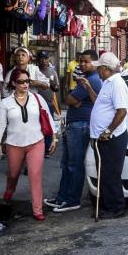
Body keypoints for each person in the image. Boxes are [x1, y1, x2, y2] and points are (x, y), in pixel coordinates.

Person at [0, 68, 57, 221]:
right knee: (13, 173)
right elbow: (0, 125)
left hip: (36, 142)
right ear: (14, 83)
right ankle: (10, 189)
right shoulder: (6, 103)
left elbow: (48, 117)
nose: (25, 84)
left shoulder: (37, 98)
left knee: (35, 175)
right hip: (14, 144)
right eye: (21, 82)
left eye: (27, 81)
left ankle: (37, 209)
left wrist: (54, 138)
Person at [45, 49, 102, 213]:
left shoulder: (91, 80)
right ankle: (62, 197)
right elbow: (69, 99)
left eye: (86, 61)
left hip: (80, 125)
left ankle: (72, 200)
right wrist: (74, 99)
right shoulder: (85, 79)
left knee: (74, 165)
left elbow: (69, 99)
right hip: (75, 125)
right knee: (67, 164)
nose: (82, 64)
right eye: (81, 61)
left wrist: (74, 99)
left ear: (95, 63)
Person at [89, 52, 128, 219]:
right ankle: (107, 207)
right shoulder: (107, 83)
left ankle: (116, 208)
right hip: (102, 138)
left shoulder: (117, 84)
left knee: (111, 174)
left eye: (99, 68)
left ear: (105, 68)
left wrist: (108, 131)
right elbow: (101, 105)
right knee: (104, 173)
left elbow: (122, 111)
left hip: (111, 138)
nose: (97, 70)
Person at [34, 50, 60, 156]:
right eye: (41, 59)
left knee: (48, 125)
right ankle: (37, 148)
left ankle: (47, 149)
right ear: (38, 60)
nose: (44, 61)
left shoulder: (52, 72)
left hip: (48, 103)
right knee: (36, 126)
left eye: (46, 59)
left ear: (49, 59)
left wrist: (54, 86)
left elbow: (57, 87)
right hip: (35, 103)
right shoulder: (34, 70)